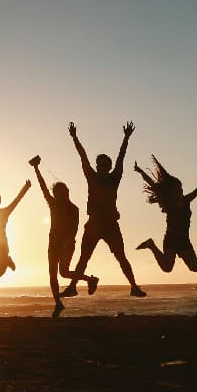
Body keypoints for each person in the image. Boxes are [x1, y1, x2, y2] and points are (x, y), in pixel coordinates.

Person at [64, 121, 146, 297]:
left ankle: (134, 287)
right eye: (99, 164)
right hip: (93, 224)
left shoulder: (114, 178)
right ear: (97, 166)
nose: (100, 167)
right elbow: (83, 157)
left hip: (110, 225)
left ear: (108, 167)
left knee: (121, 257)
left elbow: (121, 158)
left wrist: (126, 138)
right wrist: (75, 138)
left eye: (104, 165)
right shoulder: (91, 177)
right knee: (83, 258)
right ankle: (72, 287)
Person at [30, 155, 98, 317]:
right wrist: (36, 169)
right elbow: (43, 188)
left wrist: (67, 243)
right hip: (53, 244)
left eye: (63, 191)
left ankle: (90, 279)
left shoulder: (74, 208)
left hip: (67, 244)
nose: (61, 194)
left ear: (67, 192)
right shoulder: (53, 204)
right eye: (58, 193)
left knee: (64, 273)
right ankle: (58, 303)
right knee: (53, 273)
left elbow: (74, 229)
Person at [133, 156, 197, 273]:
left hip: (184, 239)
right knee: (167, 268)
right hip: (171, 237)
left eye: (181, 188)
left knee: (195, 268)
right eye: (177, 189)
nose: (180, 191)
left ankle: (195, 261)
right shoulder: (168, 203)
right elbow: (152, 184)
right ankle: (151, 245)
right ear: (171, 191)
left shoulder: (186, 200)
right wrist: (140, 171)